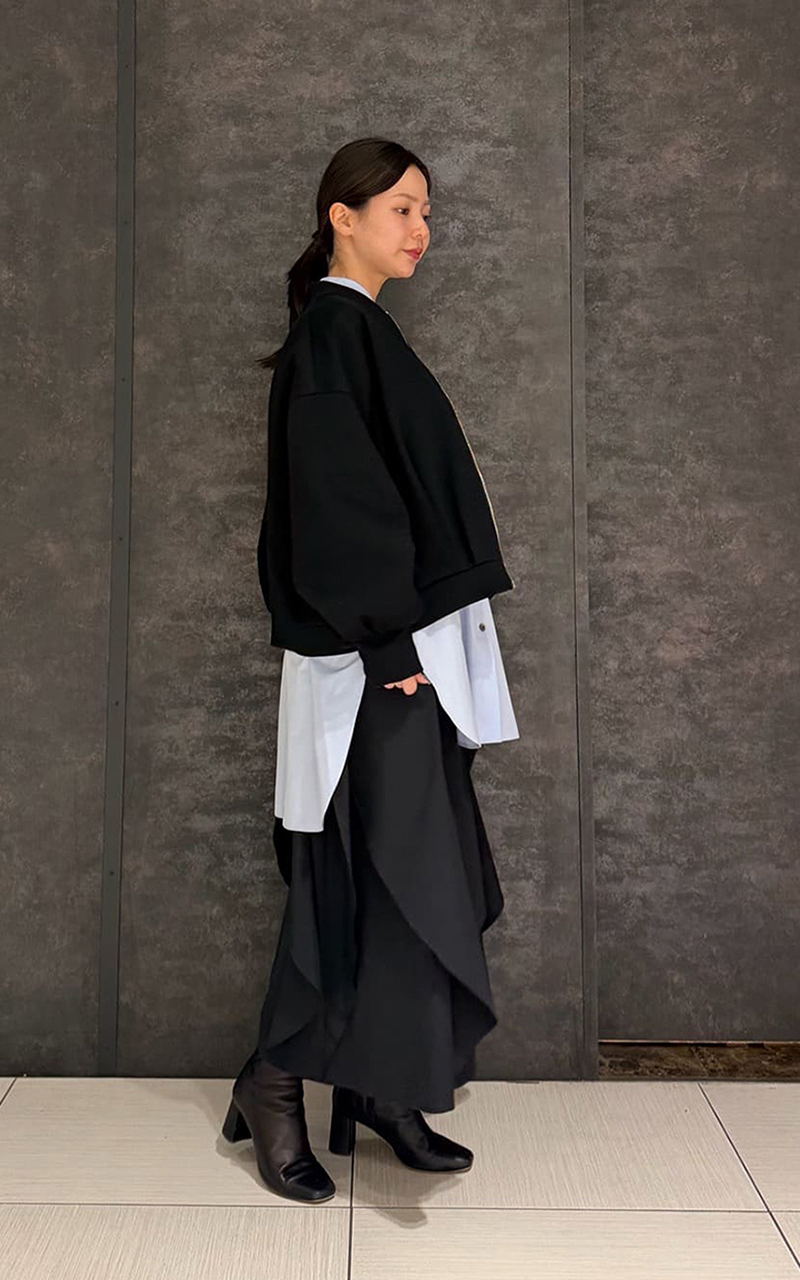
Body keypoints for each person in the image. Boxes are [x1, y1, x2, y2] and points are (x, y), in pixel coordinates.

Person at [221, 137, 520, 1204]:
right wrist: (389, 641)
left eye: (426, 211)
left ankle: (384, 1083)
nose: (419, 228)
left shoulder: (359, 330)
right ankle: (273, 1080)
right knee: (359, 873)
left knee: (410, 878)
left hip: (405, 658)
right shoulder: (334, 334)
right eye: (401, 207)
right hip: (376, 663)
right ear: (339, 216)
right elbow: (336, 502)